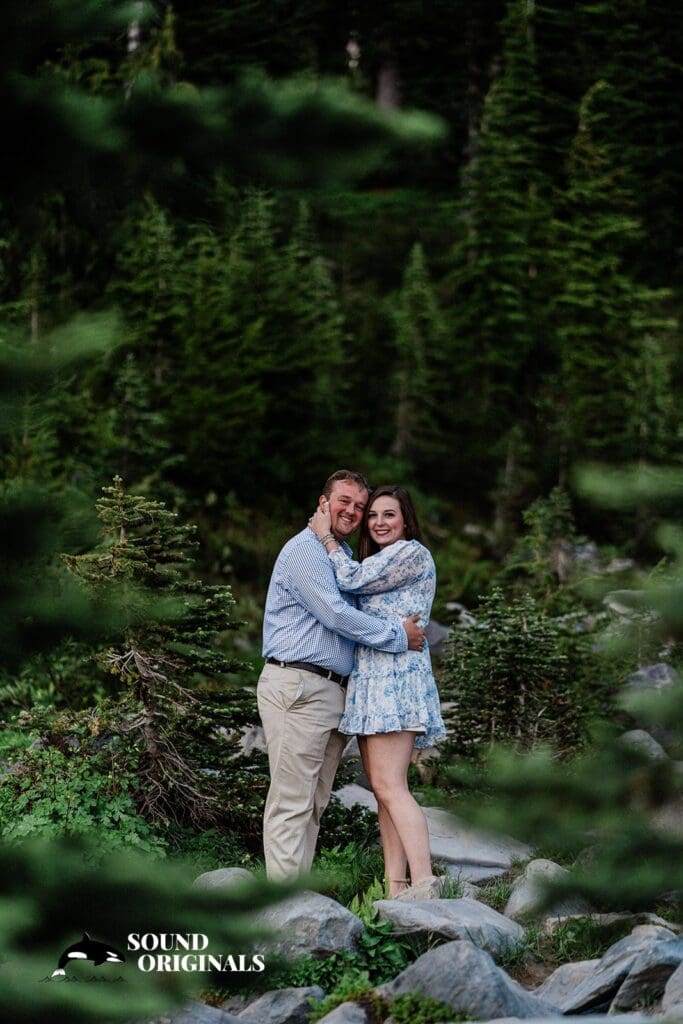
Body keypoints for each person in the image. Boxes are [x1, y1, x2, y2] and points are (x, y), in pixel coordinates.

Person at [257, 470, 426, 881]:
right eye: (344, 501)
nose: (352, 511)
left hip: (332, 692)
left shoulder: (342, 556)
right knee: (292, 802)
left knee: (314, 804)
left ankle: (298, 898)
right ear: (323, 503)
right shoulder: (306, 551)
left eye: (359, 506)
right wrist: (397, 636)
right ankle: (284, 905)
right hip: (299, 686)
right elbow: (334, 614)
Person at [308, 485, 446, 899]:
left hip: (396, 679)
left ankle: (425, 884)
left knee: (391, 787)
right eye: (373, 516)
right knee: (383, 791)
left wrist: (326, 537)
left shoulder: (411, 553)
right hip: (371, 681)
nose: (379, 522)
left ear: (406, 520)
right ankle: (395, 888)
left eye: (389, 514)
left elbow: (349, 579)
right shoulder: (379, 559)